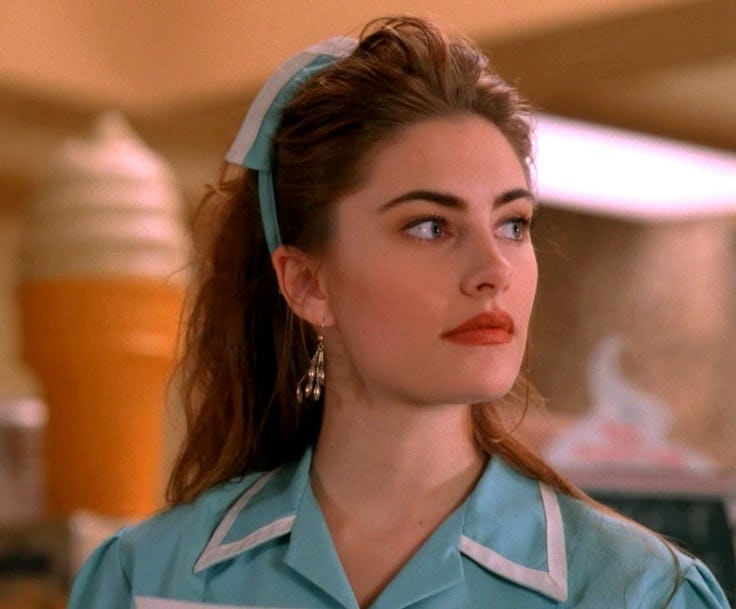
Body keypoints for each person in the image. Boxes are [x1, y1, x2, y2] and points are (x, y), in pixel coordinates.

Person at [68, 15, 731, 609]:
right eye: (429, 226)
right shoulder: (146, 579)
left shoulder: (639, 592)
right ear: (307, 283)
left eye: (512, 224)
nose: (494, 270)